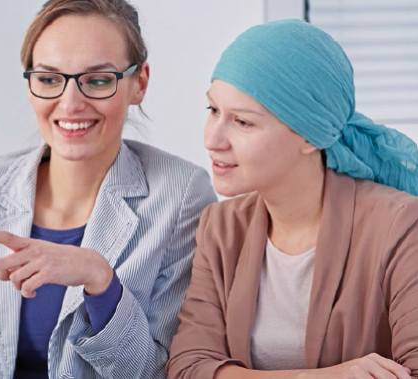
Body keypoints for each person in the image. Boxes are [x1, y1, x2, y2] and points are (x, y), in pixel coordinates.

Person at [0, 0, 216, 378]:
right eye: (48, 79)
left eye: (98, 80)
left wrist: (101, 282)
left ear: (138, 83)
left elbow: (158, 371)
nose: (71, 103)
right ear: (30, 86)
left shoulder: (181, 196)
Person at [167, 19, 418, 379]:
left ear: (310, 136)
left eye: (242, 122)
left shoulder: (400, 225)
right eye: (213, 111)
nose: (212, 139)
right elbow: (189, 368)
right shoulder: (220, 227)